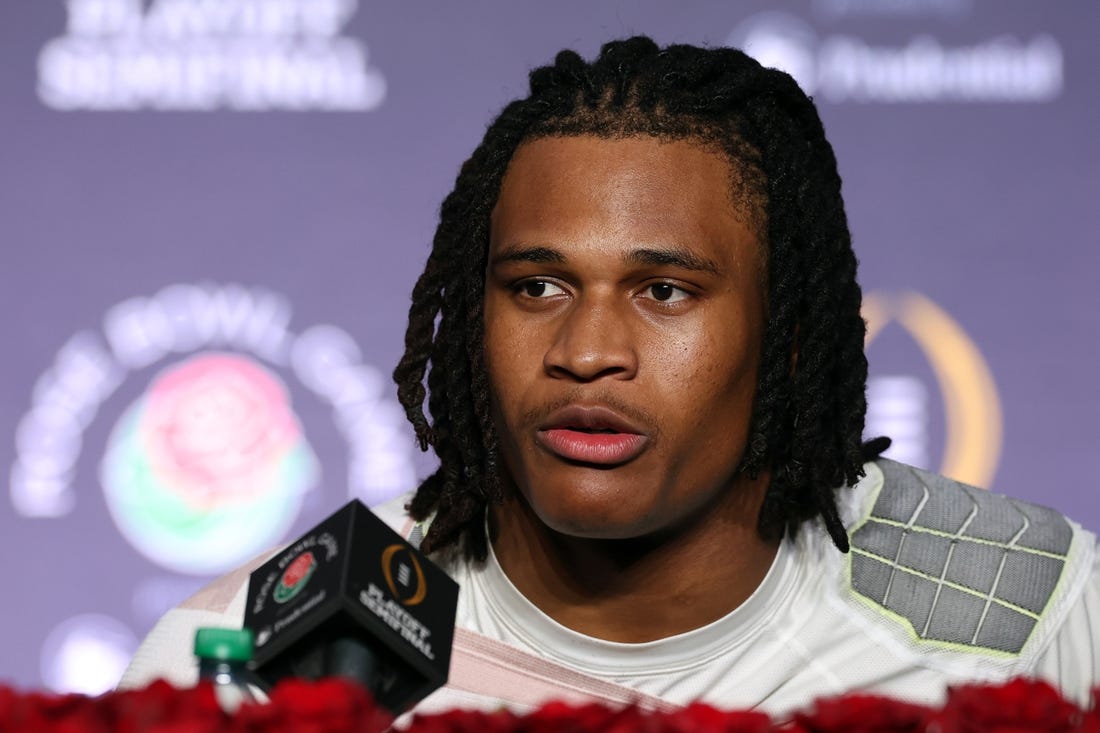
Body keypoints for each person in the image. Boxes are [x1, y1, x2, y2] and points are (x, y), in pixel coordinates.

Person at [120, 36, 1100, 717]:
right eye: (536, 285)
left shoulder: (1027, 612)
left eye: (664, 291)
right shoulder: (250, 660)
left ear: (790, 336)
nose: (586, 349)